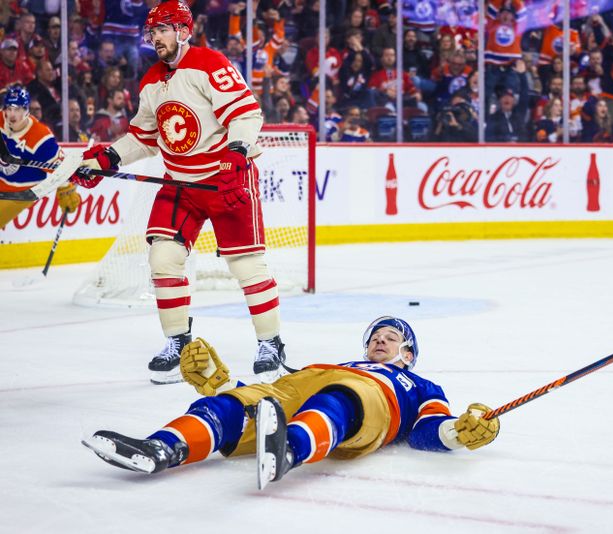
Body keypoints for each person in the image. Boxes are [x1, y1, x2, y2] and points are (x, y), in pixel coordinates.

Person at [69, 1, 292, 385]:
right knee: (163, 258)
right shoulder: (153, 80)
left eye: (162, 29)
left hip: (225, 179)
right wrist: (108, 157)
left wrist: (237, 151)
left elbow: (246, 114)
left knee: (246, 267)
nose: (155, 37)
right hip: (181, 184)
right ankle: (179, 343)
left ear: (184, 31)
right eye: (152, 31)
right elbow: (144, 136)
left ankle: (271, 343)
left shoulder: (210, 64)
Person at [82, 316, 500, 486]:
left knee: (341, 399)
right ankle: (161, 448)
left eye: (390, 338)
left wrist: (454, 432)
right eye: (375, 336)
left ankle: (288, 449)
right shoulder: (344, 361)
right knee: (237, 404)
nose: (379, 339)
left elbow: (426, 430)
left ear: (407, 355)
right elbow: (267, 406)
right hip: (309, 380)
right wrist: (218, 381)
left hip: (374, 402)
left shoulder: (420, 385)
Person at [0, 86, 80, 228]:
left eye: (17, 109)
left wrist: (66, 188)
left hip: (18, 194)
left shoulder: (41, 138)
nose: (12, 115)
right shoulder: (1, 119)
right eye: (9, 108)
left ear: (26, 111)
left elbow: (61, 169)